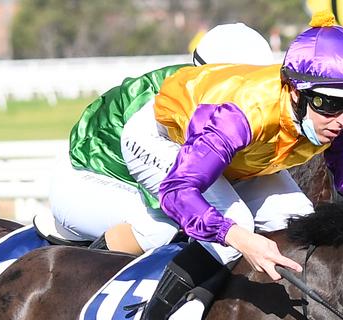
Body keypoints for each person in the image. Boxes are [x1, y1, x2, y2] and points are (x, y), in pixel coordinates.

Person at [92, 12, 343, 320]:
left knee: (297, 220)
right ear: (295, 91)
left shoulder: (334, 112)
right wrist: (239, 238)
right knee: (236, 225)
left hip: (245, 152)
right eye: (329, 105)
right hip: (166, 139)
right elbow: (180, 191)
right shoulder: (242, 114)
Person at [52, 22, 273, 253]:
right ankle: (90, 283)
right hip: (84, 179)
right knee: (162, 228)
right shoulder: (168, 102)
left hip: (141, 178)